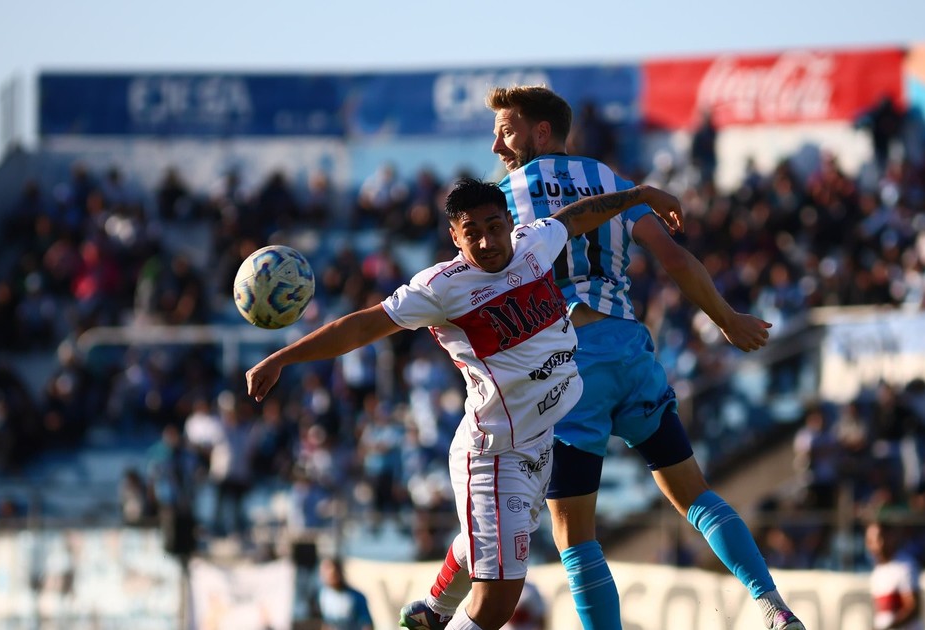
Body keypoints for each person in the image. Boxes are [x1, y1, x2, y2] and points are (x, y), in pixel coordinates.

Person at [400, 86, 803, 630]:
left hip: (563, 367)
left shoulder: (500, 203)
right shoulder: (611, 182)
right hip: (630, 350)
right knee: (695, 495)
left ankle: (441, 603)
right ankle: (773, 607)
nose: (496, 145)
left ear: (542, 132)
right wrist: (726, 318)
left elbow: (472, 285)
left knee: (574, 535)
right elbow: (674, 258)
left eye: (506, 130)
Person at [247, 177, 684, 630]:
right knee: (496, 603)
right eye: (471, 232)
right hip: (495, 454)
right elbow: (361, 326)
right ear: (454, 237)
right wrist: (283, 358)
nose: (486, 241)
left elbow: (575, 217)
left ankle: (433, 611)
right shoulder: (441, 288)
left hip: (540, 441)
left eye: (494, 227)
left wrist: (641, 195)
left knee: (487, 544)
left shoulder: (534, 244)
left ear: (510, 222)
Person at [865, 521, 923, 630]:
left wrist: (890, 627)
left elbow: (913, 608)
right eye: (870, 541)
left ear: (890, 538)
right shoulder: (876, 572)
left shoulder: (905, 566)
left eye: (879, 538)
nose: (876, 545)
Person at [315, 557, 375, 630]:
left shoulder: (355, 597)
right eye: (324, 573)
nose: (328, 576)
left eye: (332, 573)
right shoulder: (322, 595)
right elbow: (326, 623)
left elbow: (366, 624)